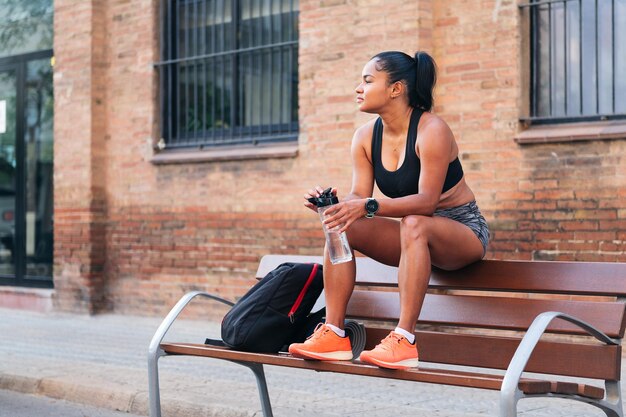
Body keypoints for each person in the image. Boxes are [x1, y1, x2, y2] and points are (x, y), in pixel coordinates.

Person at [288, 51, 490, 370]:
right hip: (415, 239)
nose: (359, 88)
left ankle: (404, 339)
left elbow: (426, 202)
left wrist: (367, 206)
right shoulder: (365, 137)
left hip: (462, 232)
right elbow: (359, 196)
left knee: (414, 223)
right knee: (339, 224)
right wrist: (334, 207)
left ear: (395, 89)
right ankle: (335, 333)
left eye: (367, 81)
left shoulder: (431, 129)